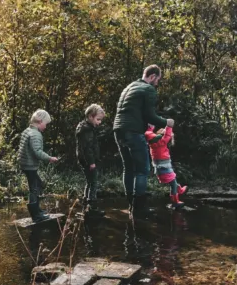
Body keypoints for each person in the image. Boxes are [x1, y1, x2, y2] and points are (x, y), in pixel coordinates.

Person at [112, 64, 174, 218]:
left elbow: (132, 112)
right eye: (157, 80)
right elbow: (150, 115)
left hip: (118, 130)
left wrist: (146, 123)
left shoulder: (130, 86)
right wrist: (167, 122)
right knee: (142, 170)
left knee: (129, 168)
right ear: (152, 76)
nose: (157, 83)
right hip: (133, 133)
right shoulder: (148, 89)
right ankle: (139, 209)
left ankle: (131, 206)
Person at [18, 109, 59, 222]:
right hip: (29, 165)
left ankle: (37, 210)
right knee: (34, 188)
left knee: (38, 185)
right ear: (40, 121)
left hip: (25, 164)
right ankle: (35, 215)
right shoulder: (35, 134)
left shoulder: (28, 130)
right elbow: (37, 152)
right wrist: (50, 158)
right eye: (46, 124)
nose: (46, 127)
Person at [145, 124, 188, 208]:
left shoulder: (154, 142)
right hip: (163, 167)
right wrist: (169, 126)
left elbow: (149, 133)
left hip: (162, 167)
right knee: (172, 183)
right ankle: (175, 201)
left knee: (173, 180)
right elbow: (166, 137)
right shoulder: (160, 142)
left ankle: (179, 190)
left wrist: (150, 127)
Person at [75, 104, 105, 216]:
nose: (99, 122)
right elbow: (87, 148)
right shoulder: (87, 130)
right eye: (98, 119)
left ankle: (86, 203)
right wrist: (91, 162)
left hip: (84, 160)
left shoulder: (85, 127)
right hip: (88, 160)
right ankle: (92, 207)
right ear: (90, 117)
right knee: (93, 182)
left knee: (89, 181)